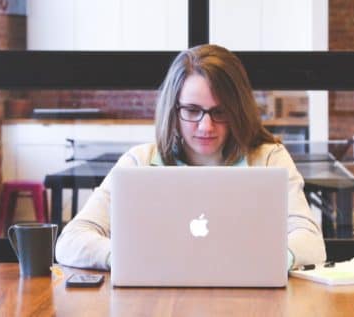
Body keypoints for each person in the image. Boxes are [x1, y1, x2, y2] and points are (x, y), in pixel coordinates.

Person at [54, 44, 327, 271]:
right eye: (193, 110)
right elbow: (71, 241)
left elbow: (312, 242)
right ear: (173, 109)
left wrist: (266, 262)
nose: (206, 126)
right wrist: (127, 258)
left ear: (238, 110)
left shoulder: (269, 159)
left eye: (220, 112)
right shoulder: (139, 162)